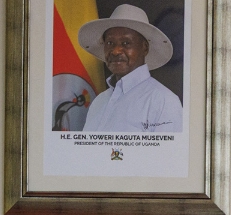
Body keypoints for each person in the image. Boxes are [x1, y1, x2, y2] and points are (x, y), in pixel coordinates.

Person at [78, 4, 183, 133]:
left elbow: (169, 153)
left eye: (126, 43)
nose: (115, 51)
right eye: (110, 43)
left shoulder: (164, 101)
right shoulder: (99, 101)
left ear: (145, 48)